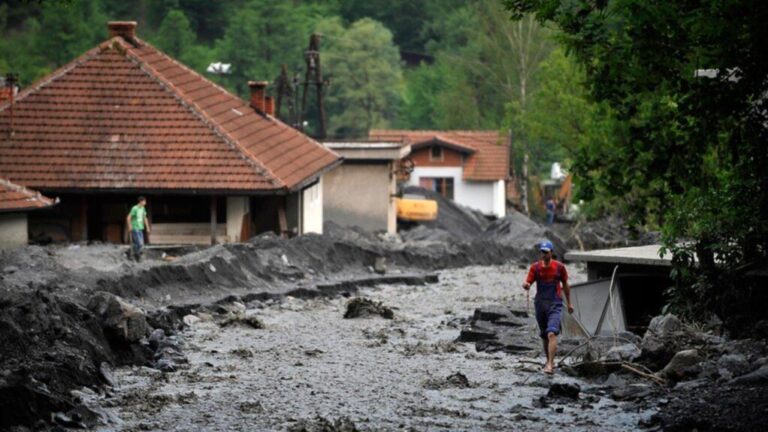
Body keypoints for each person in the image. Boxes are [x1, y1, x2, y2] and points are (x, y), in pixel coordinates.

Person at [522, 240, 573, 374]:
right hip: (540, 304)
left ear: (551, 253)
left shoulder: (560, 267)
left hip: (555, 303)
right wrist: (526, 285)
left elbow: (566, 285)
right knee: (544, 335)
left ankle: (550, 364)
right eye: (542, 252)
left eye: (546, 252)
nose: (544, 254)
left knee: (551, 333)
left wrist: (569, 303)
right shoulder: (535, 268)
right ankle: (548, 360)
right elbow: (528, 281)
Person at [126, 196, 150, 262]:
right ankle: (137, 256)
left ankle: (132, 254)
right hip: (135, 228)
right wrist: (130, 226)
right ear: (141, 201)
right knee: (139, 243)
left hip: (140, 228)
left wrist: (147, 227)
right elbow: (128, 218)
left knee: (139, 243)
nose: (145, 203)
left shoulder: (143, 208)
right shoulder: (134, 208)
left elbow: (145, 218)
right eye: (144, 201)